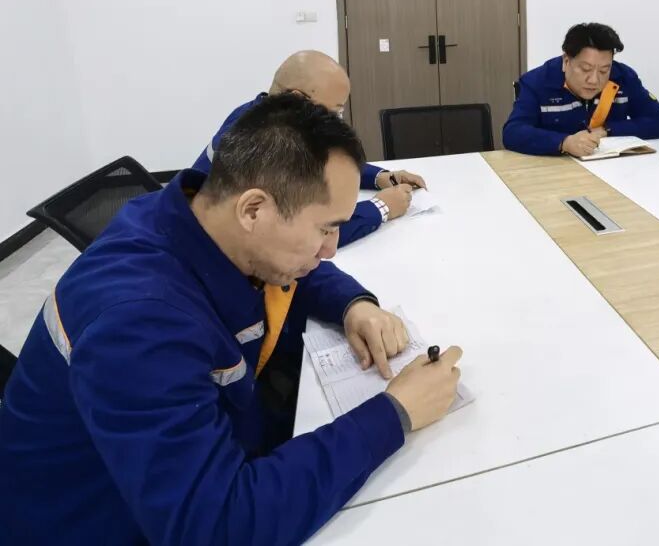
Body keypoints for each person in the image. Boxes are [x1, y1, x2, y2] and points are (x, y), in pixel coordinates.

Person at [0, 94, 463, 544]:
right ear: (254, 209)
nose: (329, 250)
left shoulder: (196, 213)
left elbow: (289, 267)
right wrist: (393, 414)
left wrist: (352, 304)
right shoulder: (139, 327)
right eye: (325, 228)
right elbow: (217, 526)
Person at [195, 50, 425, 246]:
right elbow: (301, 236)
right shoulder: (262, 146)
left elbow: (324, 161)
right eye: (333, 112)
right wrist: (382, 207)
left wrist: (378, 177)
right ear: (298, 101)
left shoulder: (263, 114)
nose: (335, 121)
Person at [502, 23, 659, 157]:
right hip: (553, 170)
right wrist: (564, 143)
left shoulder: (624, 77)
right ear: (566, 61)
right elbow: (513, 132)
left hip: (612, 169)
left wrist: (607, 130)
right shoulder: (537, 82)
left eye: (604, 70)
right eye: (585, 69)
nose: (594, 80)